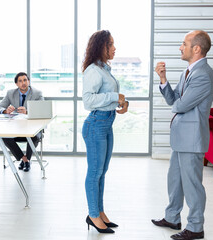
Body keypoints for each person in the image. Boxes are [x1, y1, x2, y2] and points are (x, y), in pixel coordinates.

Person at [152, 30, 213, 240]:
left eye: (184, 43)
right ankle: (172, 217)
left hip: (192, 138)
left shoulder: (203, 75)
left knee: (192, 184)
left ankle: (196, 227)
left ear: (196, 48)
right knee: (175, 180)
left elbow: (181, 104)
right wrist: (163, 79)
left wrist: (178, 102)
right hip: (181, 138)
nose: (180, 47)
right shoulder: (187, 72)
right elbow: (173, 100)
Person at [82, 30, 128, 234]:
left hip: (107, 122)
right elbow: (88, 100)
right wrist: (114, 96)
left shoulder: (104, 69)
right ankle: (93, 214)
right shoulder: (93, 70)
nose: (114, 48)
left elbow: (110, 97)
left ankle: (99, 212)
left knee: (102, 172)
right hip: (96, 125)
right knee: (95, 172)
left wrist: (122, 102)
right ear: (101, 46)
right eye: (111, 44)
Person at [0, 72, 44, 172]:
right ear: (16, 84)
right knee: (4, 136)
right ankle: (24, 159)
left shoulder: (37, 93)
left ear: (29, 81)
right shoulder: (10, 93)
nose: (23, 83)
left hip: (33, 128)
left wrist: (28, 111)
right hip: (16, 128)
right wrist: (5, 111)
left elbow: (42, 111)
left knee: (34, 137)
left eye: (25, 80)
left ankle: (27, 160)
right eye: (20, 81)